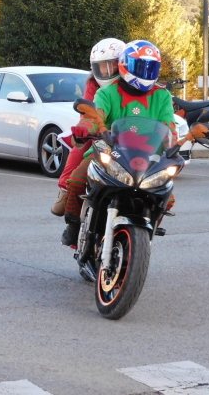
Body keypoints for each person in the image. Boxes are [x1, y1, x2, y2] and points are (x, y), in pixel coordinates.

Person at [60, 40, 177, 246]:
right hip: (108, 152)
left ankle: (147, 230)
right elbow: (95, 115)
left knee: (167, 194)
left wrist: (173, 149)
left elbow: (169, 126)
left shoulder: (162, 95)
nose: (145, 73)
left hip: (147, 158)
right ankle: (74, 226)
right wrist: (85, 128)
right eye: (140, 67)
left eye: (151, 68)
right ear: (124, 65)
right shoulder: (106, 92)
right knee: (77, 179)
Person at [51, 37, 126, 216]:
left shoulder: (133, 85)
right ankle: (64, 190)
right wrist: (85, 128)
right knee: (80, 146)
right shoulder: (93, 85)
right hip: (100, 132)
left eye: (113, 65)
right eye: (102, 66)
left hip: (127, 136)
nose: (108, 71)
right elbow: (87, 113)